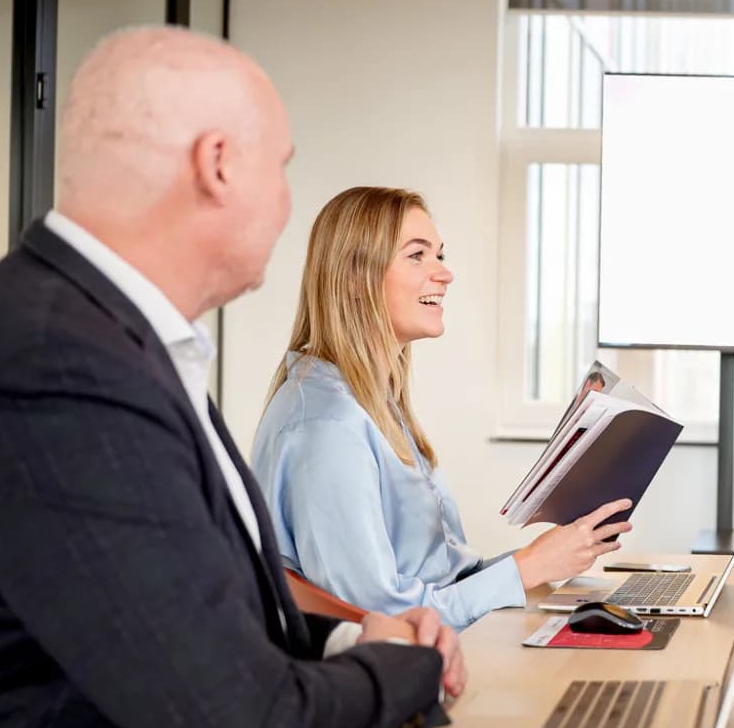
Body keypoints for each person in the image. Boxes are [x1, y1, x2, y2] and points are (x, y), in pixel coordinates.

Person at [0, 28, 464, 728]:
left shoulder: (110, 336)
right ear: (218, 164)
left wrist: (354, 636)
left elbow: (198, 613)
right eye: (283, 168)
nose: (292, 204)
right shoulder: (55, 367)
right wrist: (406, 671)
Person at [251, 186, 631, 630]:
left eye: (440, 255)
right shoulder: (328, 425)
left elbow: (438, 579)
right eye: (417, 255)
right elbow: (379, 614)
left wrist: (550, 555)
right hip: (399, 673)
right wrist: (526, 569)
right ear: (355, 277)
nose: (444, 274)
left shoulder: (369, 400)